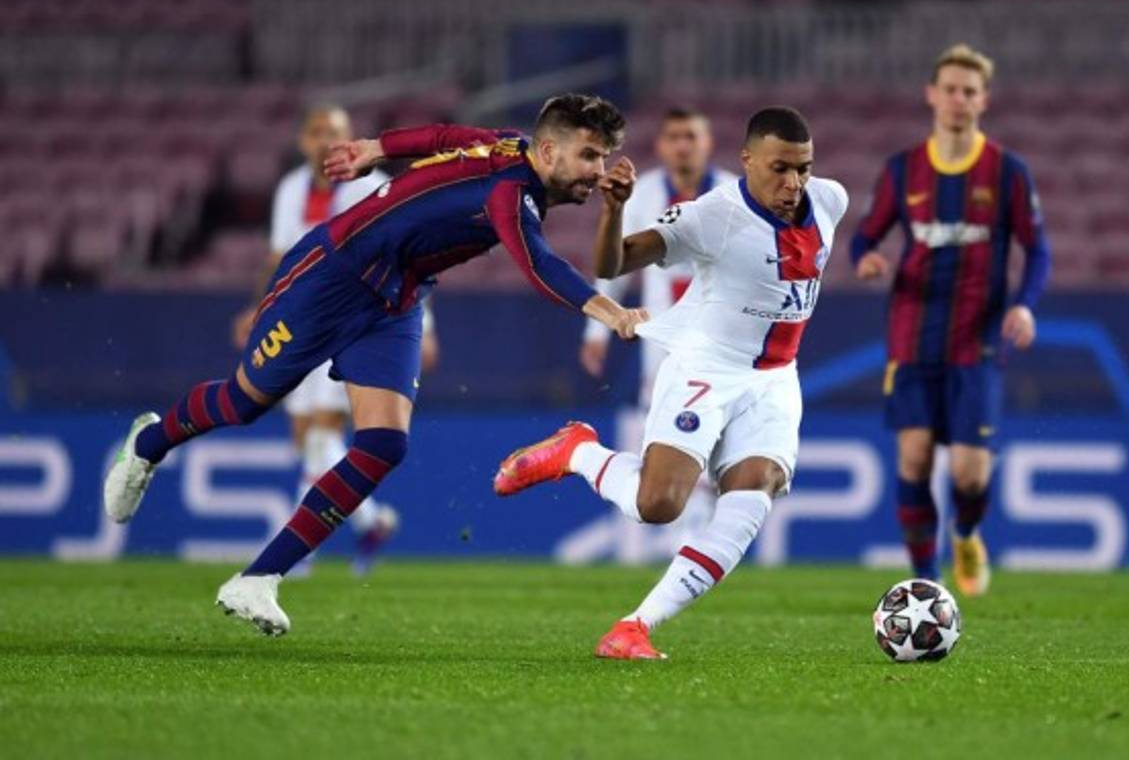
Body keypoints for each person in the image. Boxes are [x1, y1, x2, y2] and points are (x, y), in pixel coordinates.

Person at [104, 94, 647, 636]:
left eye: (602, 158)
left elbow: (442, 138)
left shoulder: (510, 148)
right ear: (549, 150)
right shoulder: (511, 192)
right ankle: (149, 444)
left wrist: (375, 148)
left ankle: (259, 577)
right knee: (244, 402)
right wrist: (611, 312)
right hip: (330, 278)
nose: (597, 171)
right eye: (589, 156)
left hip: (396, 301)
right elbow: (540, 265)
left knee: (384, 444)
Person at [495, 107, 848, 660]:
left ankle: (635, 627)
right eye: (780, 168)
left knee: (756, 489)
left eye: (803, 168)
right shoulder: (714, 216)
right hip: (706, 366)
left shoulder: (830, 200)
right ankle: (578, 451)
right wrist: (613, 211)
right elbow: (613, 264)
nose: (794, 183)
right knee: (657, 505)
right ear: (747, 160)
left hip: (776, 379)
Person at [850, 44, 1051, 596]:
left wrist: (1024, 303)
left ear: (983, 100)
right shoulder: (902, 170)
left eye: (970, 91)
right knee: (913, 458)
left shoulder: (1008, 172)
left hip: (978, 339)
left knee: (969, 474)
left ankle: (966, 533)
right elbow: (865, 235)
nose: (959, 99)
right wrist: (865, 259)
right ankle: (925, 582)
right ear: (931, 95)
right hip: (912, 336)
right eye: (951, 89)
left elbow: (1038, 250)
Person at [231, 103, 426, 576]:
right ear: (303, 141)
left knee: (322, 431)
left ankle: (299, 551)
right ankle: (373, 520)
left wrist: (427, 329)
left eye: (334, 132)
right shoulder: (291, 189)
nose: (325, 139)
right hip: (302, 323)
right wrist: (259, 310)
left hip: (356, 322)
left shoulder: (365, 186)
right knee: (305, 440)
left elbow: (407, 257)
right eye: (317, 131)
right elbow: (279, 256)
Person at [577, 107, 736, 561]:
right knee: (671, 437)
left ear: (706, 143)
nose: (683, 144)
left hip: (720, 339)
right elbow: (612, 265)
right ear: (662, 145)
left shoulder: (729, 194)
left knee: (718, 440)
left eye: (691, 135)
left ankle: (692, 540)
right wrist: (597, 328)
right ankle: (684, 542)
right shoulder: (642, 194)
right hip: (664, 346)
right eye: (674, 136)